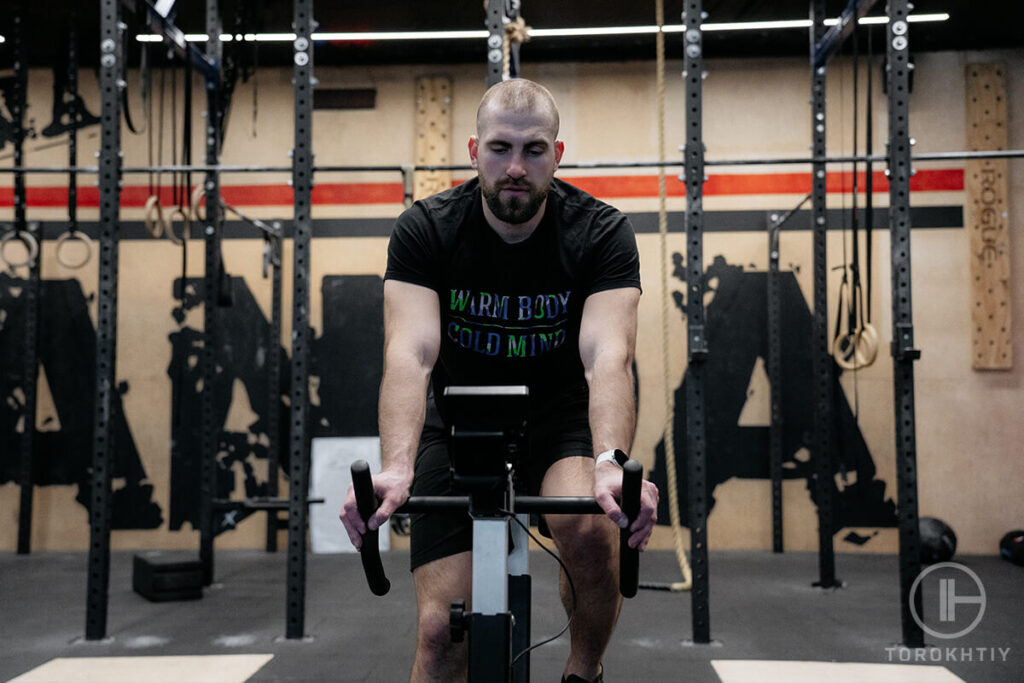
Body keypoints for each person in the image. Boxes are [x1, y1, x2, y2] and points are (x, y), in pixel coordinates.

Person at [340, 78, 659, 683]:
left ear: (557, 155)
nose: (516, 167)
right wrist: (398, 468)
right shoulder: (425, 229)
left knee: (592, 531)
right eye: (500, 148)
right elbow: (409, 353)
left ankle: (584, 668)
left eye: (534, 150)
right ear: (473, 149)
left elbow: (608, 357)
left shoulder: (601, 232)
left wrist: (612, 462)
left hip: (562, 419)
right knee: (440, 633)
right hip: (456, 426)